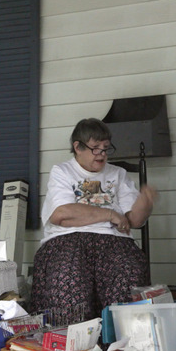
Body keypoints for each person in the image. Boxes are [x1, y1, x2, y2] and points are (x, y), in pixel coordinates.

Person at [30, 118, 158, 321]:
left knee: (129, 271)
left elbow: (133, 221)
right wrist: (109, 214)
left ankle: (119, 345)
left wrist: (145, 202)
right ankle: (76, 345)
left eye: (106, 149)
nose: (102, 155)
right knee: (68, 276)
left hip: (114, 241)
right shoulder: (62, 171)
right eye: (95, 148)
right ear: (78, 147)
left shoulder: (118, 174)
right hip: (68, 239)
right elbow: (62, 214)